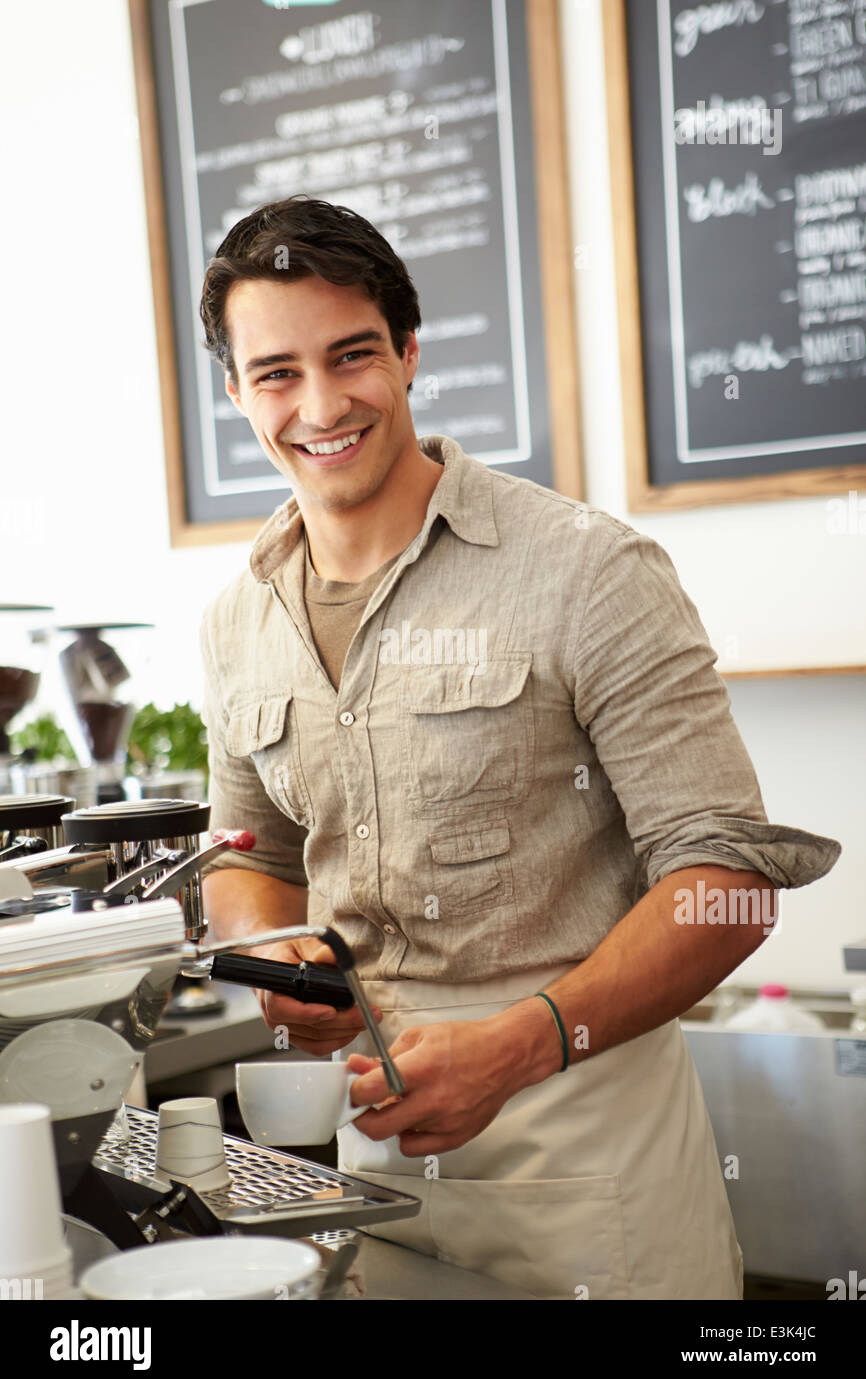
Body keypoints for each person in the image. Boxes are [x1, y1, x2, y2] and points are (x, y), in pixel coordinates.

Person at [197, 194, 840, 1300]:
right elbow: (249, 854)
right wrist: (281, 956)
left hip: (589, 1173)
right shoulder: (236, 618)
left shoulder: (587, 572)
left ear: (405, 353)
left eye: (351, 356)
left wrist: (519, 1043)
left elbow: (724, 878)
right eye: (276, 374)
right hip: (372, 1165)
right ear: (236, 391)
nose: (318, 404)